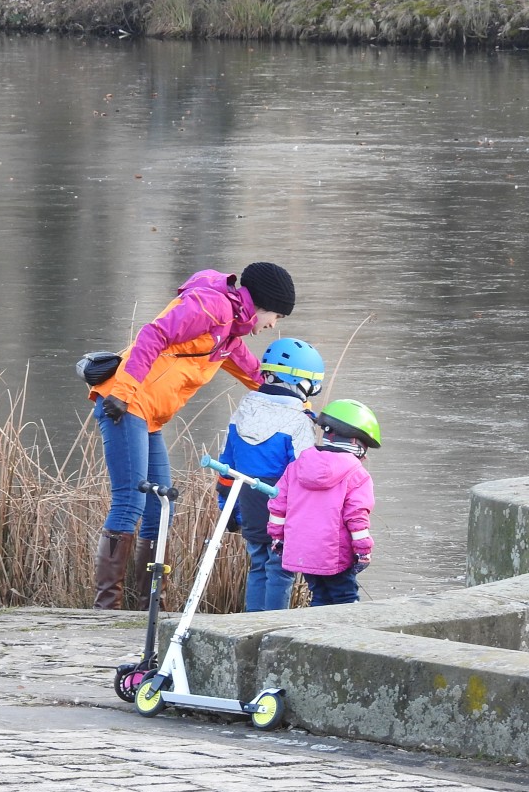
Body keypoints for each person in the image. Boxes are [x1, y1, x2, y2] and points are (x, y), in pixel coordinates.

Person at [87, 262, 297, 610]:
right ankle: (105, 609)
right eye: (276, 316)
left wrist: (302, 408)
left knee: (162, 506)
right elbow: (152, 335)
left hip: (147, 414)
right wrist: (122, 393)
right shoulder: (211, 307)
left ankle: (150, 608)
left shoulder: (229, 333)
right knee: (129, 501)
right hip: (126, 403)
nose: (273, 325)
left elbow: (258, 377)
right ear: (262, 305)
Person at [216, 337, 324, 612]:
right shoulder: (299, 421)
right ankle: (273, 627)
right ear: (298, 381)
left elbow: (227, 467)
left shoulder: (242, 411)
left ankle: (251, 625)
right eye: (313, 383)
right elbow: (305, 475)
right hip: (282, 509)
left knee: (258, 566)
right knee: (281, 571)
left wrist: (229, 512)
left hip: (250, 507)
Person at [266, 399, 381, 607]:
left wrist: (277, 537)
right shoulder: (357, 474)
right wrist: (363, 550)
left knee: (319, 595)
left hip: (302, 551)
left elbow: (277, 505)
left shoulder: (296, 466)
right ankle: (342, 638)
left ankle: (314, 634)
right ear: (356, 443)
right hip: (335, 554)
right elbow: (356, 517)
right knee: (345, 598)